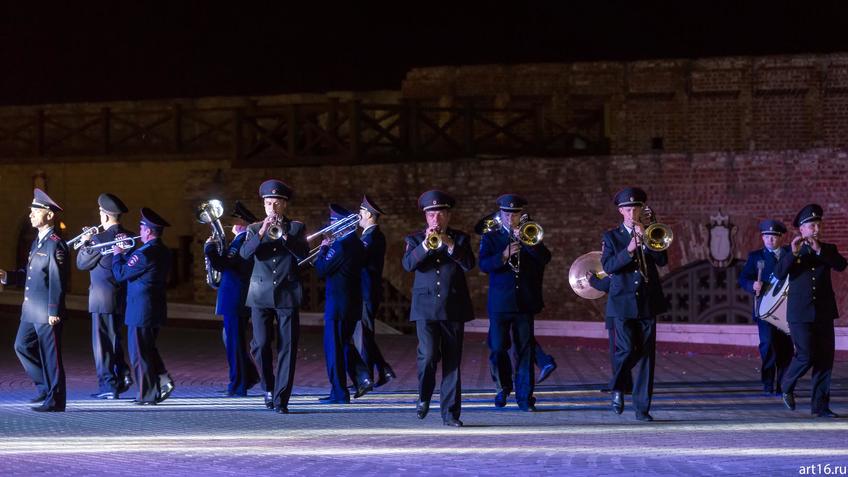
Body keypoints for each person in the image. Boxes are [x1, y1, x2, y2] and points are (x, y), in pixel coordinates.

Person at [402, 190, 475, 427]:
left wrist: (450, 244)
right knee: (428, 356)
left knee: (453, 362)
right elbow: (408, 265)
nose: (436, 219)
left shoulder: (461, 238)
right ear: (426, 217)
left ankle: (450, 414)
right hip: (424, 309)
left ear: (448, 215)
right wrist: (425, 245)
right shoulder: (413, 240)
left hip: (453, 307)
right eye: (431, 214)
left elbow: (468, 264)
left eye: (440, 213)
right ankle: (424, 395)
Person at [239, 179, 309, 414]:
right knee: (259, 345)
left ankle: (281, 399)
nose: (272, 208)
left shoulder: (297, 228)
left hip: (287, 294)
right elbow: (245, 254)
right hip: (259, 295)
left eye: (276, 203)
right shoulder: (252, 229)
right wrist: (261, 232)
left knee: (287, 347)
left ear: (284, 205)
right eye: (268, 203)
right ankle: (268, 387)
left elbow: (303, 256)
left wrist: (285, 236)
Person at [479, 194, 551, 411]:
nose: (511, 217)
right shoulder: (491, 236)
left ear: (521, 214)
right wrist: (503, 255)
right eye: (507, 213)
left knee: (525, 351)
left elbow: (545, 258)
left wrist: (527, 243)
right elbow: (483, 264)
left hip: (524, 302)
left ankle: (525, 398)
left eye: (515, 213)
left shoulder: (531, 235)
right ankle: (502, 386)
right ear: (502, 213)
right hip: (500, 303)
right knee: (498, 348)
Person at [602, 187, 668, 422]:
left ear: (642, 210)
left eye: (636, 208)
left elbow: (662, 260)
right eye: (628, 209)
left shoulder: (651, 232)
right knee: (627, 349)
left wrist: (648, 239)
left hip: (648, 301)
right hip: (622, 302)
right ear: (621, 211)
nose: (632, 213)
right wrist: (629, 249)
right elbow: (608, 266)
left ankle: (642, 408)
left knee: (647, 357)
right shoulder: (611, 237)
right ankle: (618, 386)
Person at [0, 189, 69, 412]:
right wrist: (7, 277)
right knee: (21, 345)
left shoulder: (55, 244)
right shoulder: (37, 242)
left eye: (35, 211)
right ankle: (44, 388)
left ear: (49, 215)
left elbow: (58, 280)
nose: (30, 214)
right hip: (31, 310)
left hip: (46, 312)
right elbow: (30, 273)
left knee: (52, 358)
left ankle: (56, 400)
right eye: (31, 211)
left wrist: (54, 310)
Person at [775, 204, 846, 418]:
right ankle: (786, 385)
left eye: (818, 225)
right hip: (799, 314)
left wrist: (819, 250)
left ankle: (820, 407)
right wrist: (793, 254)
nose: (815, 229)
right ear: (802, 230)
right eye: (811, 226)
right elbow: (779, 274)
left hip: (824, 313)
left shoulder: (828, 249)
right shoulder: (790, 251)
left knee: (825, 359)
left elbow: (841, 265)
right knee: (805, 356)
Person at [112, 207, 173, 405]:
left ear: (148, 231)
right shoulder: (162, 250)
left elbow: (121, 274)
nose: (139, 230)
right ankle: (160, 382)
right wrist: (128, 253)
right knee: (148, 349)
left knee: (139, 354)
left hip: (140, 310)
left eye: (141, 227)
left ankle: (146, 394)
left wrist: (117, 253)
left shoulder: (143, 254)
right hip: (154, 308)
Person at [76, 193, 134, 400]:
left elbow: (81, 264)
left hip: (101, 299)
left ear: (106, 216)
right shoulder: (129, 236)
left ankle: (108, 386)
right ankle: (123, 375)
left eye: (101, 213)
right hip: (121, 297)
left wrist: (85, 242)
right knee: (114, 338)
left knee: (102, 345)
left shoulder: (99, 238)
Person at [315, 204, 372, 403]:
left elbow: (321, 270)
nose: (331, 226)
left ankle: (339, 393)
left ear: (342, 224)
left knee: (334, 349)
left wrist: (323, 250)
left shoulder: (341, 245)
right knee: (343, 345)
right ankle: (361, 377)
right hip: (351, 304)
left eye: (333, 222)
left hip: (338, 306)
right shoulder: (357, 243)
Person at [204, 201, 260, 396]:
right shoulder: (239, 241)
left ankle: (238, 385)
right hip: (233, 297)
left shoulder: (243, 240)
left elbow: (224, 264)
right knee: (231, 341)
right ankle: (248, 376)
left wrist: (209, 250)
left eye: (235, 219)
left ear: (243, 223)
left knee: (234, 343)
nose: (230, 223)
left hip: (236, 298)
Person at [737, 219, 794, 395]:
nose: (770, 240)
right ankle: (768, 382)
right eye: (767, 236)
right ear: (762, 238)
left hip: (785, 309)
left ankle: (782, 386)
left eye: (774, 237)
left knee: (785, 348)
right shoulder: (756, 257)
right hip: (764, 309)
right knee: (768, 345)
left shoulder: (790, 253)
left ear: (781, 238)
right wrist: (752, 285)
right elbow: (743, 278)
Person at [354, 195, 395, 387]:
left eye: (361, 212)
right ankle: (381, 369)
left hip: (366, 290)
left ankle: (368, 375)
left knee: (364, 334)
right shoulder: (368, 235)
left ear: (369, 214)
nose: (358, 216)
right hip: (365, 289)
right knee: (365, 333)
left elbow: (359, 260)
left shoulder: (373, 236)